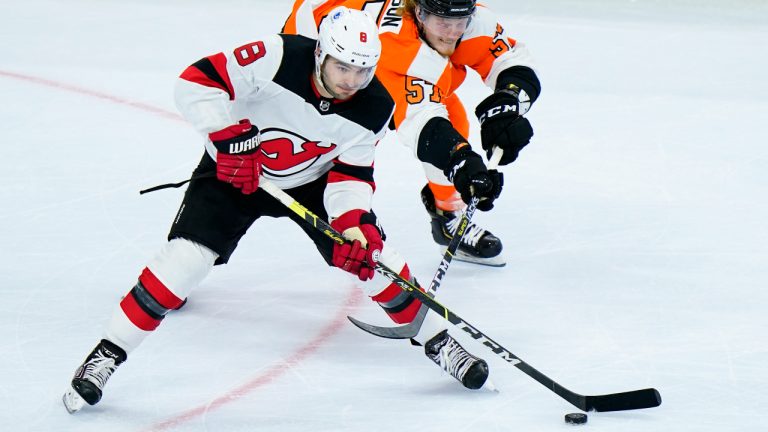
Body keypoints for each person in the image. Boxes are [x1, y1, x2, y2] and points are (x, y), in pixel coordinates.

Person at [62, 7, 497, 414]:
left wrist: (354, 224)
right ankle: (106, 353)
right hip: (236, 174)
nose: (352, 80)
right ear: (322, 53)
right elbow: (196, 81)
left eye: (363, 70)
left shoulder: (377, 105)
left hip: (313, 184)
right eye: (343, 67)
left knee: (374, 260)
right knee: (183, 264)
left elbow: (351, 174)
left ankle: (441, 343)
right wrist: (227, 136)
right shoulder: (276, 56)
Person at [283, 0, 541, 267]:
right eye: (442, 21)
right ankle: (347, 210)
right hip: (321, 56)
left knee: (453, 119)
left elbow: (509, 60)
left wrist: (508, 101)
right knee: (346, 136)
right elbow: (423, 124)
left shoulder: (473, 22)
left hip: (360, 49)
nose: (453, 32)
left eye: (459, 22)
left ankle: (447, 215)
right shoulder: (398, 49)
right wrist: (463, 163)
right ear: (419, 12)